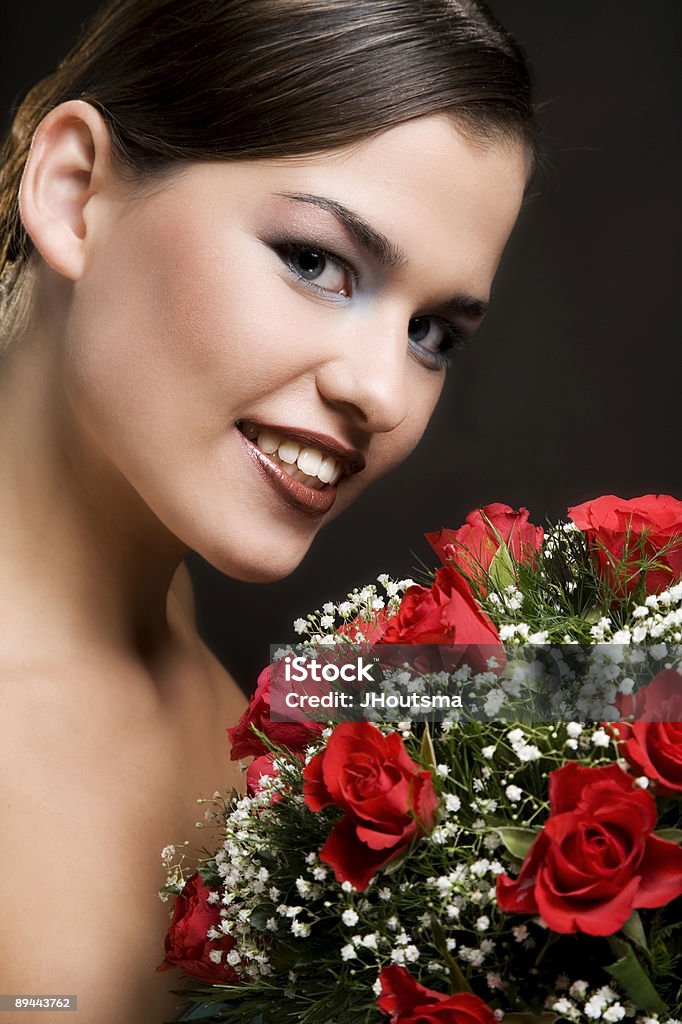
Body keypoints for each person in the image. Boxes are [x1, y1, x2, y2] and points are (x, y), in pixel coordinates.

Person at [0, 0, 536, 1020]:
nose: (382, 393)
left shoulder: (196, 664)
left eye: (431, 332)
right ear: (75, 196)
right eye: (313, 260)